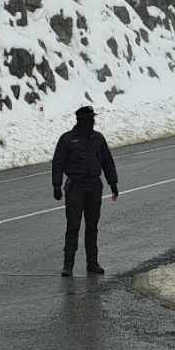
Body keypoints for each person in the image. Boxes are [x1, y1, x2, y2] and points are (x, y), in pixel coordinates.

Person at [52, 104, 119, 277]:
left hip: (94, 186)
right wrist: (57, 186)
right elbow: (58, 163)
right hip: (76, 187)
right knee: (73, 226)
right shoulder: (67, 139)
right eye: (90, 119)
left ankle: (92, 263)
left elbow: (107, 162)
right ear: (82, 120)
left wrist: (113, 183)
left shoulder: (98, 138)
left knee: (92, 227)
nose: (93, 121)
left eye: (93, 118)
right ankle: (68, 265)